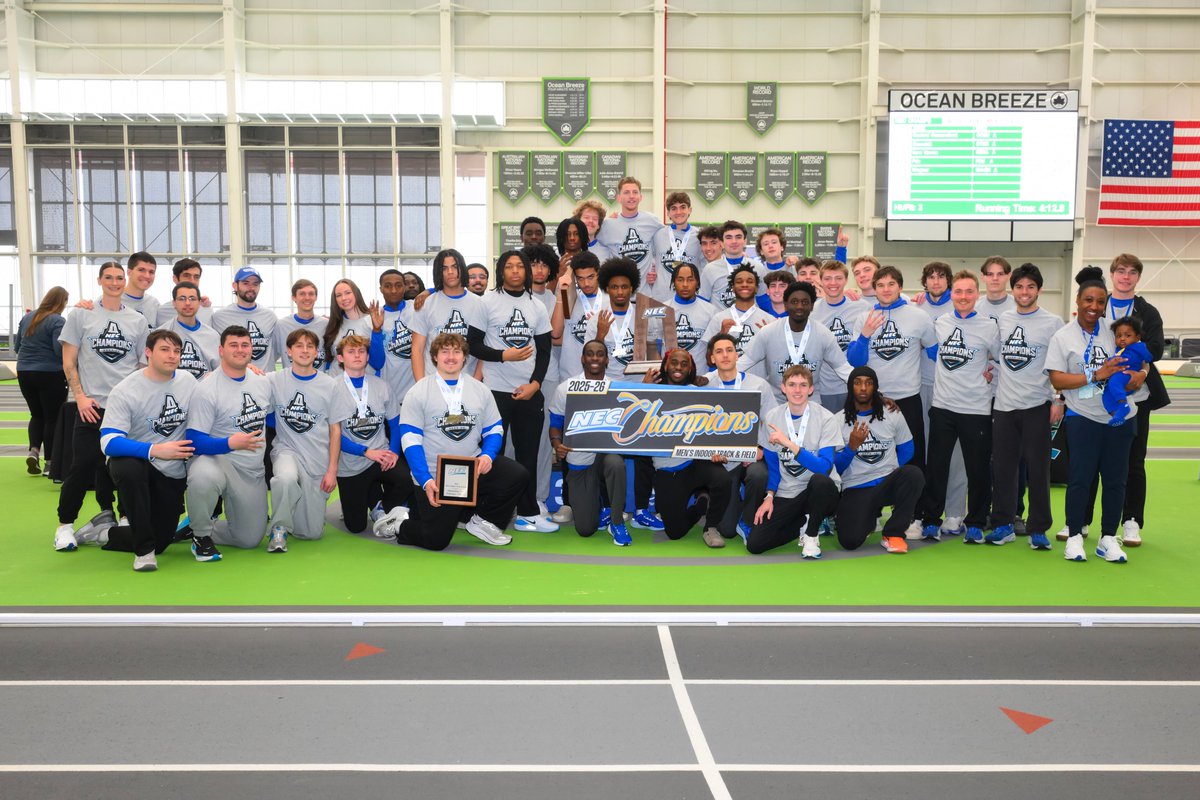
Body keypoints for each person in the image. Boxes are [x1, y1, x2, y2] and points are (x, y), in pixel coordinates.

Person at [1046, 266, 1146, 564]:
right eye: (1088, 300)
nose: (1094, 306)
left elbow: (1140, 357)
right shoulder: (1062, 337)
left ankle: (1107, 539)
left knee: (1116, 480)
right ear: (1077, 301)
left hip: (1119, 419)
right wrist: (1095, 374)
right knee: (1081, 479)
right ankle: (1075, 536)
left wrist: (1141, 372)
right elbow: (1057, 380)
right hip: (1083, 418)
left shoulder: (1115, 331)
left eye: (1100, 301)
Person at [396, 332, 529, 549]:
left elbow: (494, 428)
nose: (451, 357)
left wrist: (487, 455)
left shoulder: (480, 389)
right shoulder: (418, 391)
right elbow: (410, 441)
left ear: (464, 357)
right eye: (445, 352)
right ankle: (399, 524)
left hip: (472, 467)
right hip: (435, 474)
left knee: (516, 475)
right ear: (435, 357)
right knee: (436, 540)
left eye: (456, 352)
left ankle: (484, 522)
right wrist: (426, 480)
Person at [54, 262, 149, 553]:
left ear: (126, 280)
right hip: (91, 405)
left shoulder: (137, 320)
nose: (115, 282)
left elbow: (142, 365)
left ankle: (123, 518)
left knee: (125, 468)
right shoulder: (81, 314)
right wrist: (80, 396)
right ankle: (65, 525)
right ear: (100, 281)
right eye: (109, 277)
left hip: (125, 409)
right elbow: (69, 361)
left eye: (119, 278)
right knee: (82, 466)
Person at [468, 249, 557, 533]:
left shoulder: (537, 306)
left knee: (528, 454)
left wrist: (535, 384)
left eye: (520, 266)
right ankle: (485, 512)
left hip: (529, 392)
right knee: (491, 455)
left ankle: (528, 512)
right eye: (510, 266)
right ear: (501, 271)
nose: (516, 271)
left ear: (527, 272)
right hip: (495, 392)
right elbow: (473, 345)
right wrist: (504, 356)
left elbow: (544, 352)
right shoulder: (486, 302)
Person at [1086, 253, 1171, 546]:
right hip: (1096, 395)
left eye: (1132, 272)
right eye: (1120, 271)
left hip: (1137, 398)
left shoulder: (1148, 311)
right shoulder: (1096, 304)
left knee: (1134, 462)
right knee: (1091, 461)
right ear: (1112, 274)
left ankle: (1132, 521)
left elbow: (1156, 348)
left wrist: (1142, 371)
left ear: (1137, 277)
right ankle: (1082, 521)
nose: (1126, 276)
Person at [846, 265, 937, 537]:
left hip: (907, 397)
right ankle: (872, 511)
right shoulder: (864, 316)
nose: (886, 289)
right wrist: (865, 335)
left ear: (900, 286)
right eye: (880, 285)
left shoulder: (918, 317)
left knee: (912, 458)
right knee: (869, 455)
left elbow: (935, 354)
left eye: (891, 284)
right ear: (873, 289)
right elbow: (855, 361)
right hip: (870, 401)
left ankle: (913, 517)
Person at [99, 329, 197, 571]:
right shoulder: (125, 390)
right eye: (165, 349)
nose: (172, 356)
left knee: (162, 540)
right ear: (148, 352)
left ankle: (105, 533)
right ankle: (144, 552)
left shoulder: (188, 381)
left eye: (177, 351)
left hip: (171, 470)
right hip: (138, 463)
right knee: (129, 468)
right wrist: (155, 449)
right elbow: (108, 442)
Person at [918, 270, 1000, 544]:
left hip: (976, 408)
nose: (963, 297)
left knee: (977, 469)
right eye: (958, 292)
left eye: (969, 292)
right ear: (951, 294)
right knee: (937, 467)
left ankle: (975, 521)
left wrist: (992, 375)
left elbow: (1003, 360)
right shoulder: (939, 322)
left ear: (977, 295)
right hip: (942, 406)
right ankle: (931, 520)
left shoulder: (989, 326)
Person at [987, 263, 1064, 550]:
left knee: (1038, 470)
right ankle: (1003, 524)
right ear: (1013, 289)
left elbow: (1061, 364)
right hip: (1005, 407)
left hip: (1037, 406)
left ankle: (1038, 529)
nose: (1024, 291)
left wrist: (1058, 399)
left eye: (1030, 287)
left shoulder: (1053, 322)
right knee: (1003, 470)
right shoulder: (1004, 320)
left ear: (1039, 290)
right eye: (1019, 287)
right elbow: (996, 357)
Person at [183, 325, 271, 558]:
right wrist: (230, 443)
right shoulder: (207, 388)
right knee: (202, 475)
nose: (240, 350)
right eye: (233, 345)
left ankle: (195, 526)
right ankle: (200, 534)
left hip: (251, 471)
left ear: (252, 349)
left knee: (250, 540)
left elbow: (273, 416)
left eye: (245, 345)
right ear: (221, 350)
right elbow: (194, 441)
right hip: (218, 460)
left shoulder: (262, 381)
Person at [265, 328, 353, 552]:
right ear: (289, 351)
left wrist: (332, 470)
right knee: (285, 478)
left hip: (316, 458)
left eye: (310, 346)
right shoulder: (273, 380)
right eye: (298, 346)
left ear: (317, 353)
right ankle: (279, 528)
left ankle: (296, 509)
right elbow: (244, 380)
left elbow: (335, 430)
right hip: (287, 450)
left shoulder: (330, 385)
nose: (304, 351)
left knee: (310, 533)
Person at [746, 365, 841, 558]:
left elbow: (824, 467)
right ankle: (802, 524)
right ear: (783, 388)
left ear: (811, 389)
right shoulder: (773, 417)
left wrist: (789, 444)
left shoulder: (826, 418)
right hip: (789, 493)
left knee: (820, 481)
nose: (797, 390)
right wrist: (770, 496)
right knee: (755, 544)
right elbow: (773, 465)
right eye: (792, 385)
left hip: (822, 491)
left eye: (803, 385)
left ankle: (812, 535)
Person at [645, 348, 732, 547]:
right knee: (675, 533)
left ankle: (710, 527)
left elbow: (715, 428)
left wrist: (717, 451)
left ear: (691, 368)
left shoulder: (700, 392)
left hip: (694, 463)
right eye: (674, 362)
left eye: (684, 364)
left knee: (722, 478)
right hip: (667, 470)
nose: (678, 367)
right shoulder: (650, 390)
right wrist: (644, 391)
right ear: (665, 365)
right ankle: (702, 504)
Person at [834, 366, 924, 554]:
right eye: (858, 383)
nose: (864, 388)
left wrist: (892, 471)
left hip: (886, 483)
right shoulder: (838, 421)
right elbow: (836, 469)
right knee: (849, 541)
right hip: (857, 487)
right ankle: (868, 520)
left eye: (869, 383)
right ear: (850, 388)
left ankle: (893, 533)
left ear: (875, 387)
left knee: (913, 474)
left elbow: (908, 449)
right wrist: (851, 447)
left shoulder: (891, 412)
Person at [549, 340, 630, 545]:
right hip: (579, 460)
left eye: (600, 354)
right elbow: (555, 424)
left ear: (606, 360)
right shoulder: (565, 388)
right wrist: (557, 443)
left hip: (605, 456)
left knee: (616, 463)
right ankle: (600, 509)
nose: (595, 358)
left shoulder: (616, 387)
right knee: (586, 529)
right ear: (582, 359)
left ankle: (617, 521)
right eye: (590, 354)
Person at [334, 334, 412, 536]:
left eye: (361, 351)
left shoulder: (381, 386)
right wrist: (365, 451)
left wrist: (394, 452)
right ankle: (371, 497)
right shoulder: (331, 388)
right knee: (356, 527)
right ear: (341, 358)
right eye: (351, 352)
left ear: (368, 357)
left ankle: (381, 508)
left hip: (382, 455)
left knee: (405, 479)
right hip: (351, 463)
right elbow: (332, 435)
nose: (357, 355)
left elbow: (395, 425)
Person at [705, 333, 777, 542]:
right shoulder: (704, 384)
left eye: (729, 350)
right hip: (720, 460)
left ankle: (747, 519)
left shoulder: (758, 385)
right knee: (727, 530)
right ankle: (726, 509)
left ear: (737, 355)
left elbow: (772, 424)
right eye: (719, 351)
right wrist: (710, 451)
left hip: (749, 457)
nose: (725, 355)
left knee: (758, 475)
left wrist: (761, 449)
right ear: (712, 359)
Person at [913, 261, 967, 537]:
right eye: (930, 277)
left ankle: (955, 512)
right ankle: (922, 511)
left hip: (954, 390)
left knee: (955, 455)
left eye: (941, 277)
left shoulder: (960, 307)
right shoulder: (916, 307)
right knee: (924, 453)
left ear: (949, 281)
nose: (936, 281)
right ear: (924, 281)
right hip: (922, 386)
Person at [738, 280, 849, 407]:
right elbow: (744, 362)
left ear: (812, 306)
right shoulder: (768, 332)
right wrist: (712, 377)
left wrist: (868, 384)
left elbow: (843, 368)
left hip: (811, 402)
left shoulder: (823, 334)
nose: (799, 306)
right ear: (786, 304)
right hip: (775, 402)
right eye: (794, 302)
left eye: (805, 302)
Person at [411, 248, 486, 382]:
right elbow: (417, 349)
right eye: (444, 268)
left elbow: (484, 349)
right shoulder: (426, 304)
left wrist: (475, 382)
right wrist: (421, 385)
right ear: (438, 272)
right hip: (433, 382)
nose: (450, 272)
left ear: (462, 269)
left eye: (454, 267)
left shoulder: (479, 304)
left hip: (468, 382)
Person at [16, 286, 68, 478]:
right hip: (49, 373)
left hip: (24, 372)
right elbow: (58, 350)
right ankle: (50, 462)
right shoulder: (57, 320)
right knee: (52, 418)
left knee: (36, 415)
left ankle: (34, 451)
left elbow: (17, 346)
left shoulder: (27, 318)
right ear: (61, 302)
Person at [812, 261, 870, 412]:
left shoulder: (861, 306)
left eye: (838, 278)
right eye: (828, 278)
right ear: (820, 281)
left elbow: (887, 306)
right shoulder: (812, 311)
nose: (833, 283)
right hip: (825, 388)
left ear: (846, 280)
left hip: (855, 386)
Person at [597, 177, 664, 295]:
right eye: (626, 192)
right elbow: (594, 246)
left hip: (645, 295)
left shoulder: (652, 221)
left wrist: (655, 268)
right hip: (618, 295)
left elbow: (666, 245)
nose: (631, 196)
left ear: (640, 197)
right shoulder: (608, 225)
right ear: (619, 198)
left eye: (635, 192)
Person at [700, 264, 773, 366]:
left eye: (750, 281)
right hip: (727, 380)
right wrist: (721, 335)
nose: (744, 284)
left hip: (758, 381)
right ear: (733, 288)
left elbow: (776, 358)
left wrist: (768, 340)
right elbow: (709, 360)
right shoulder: (719, 319)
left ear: (756, 288)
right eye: (739, 282)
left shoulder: (769, 321)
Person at [212, 267, 278, 372]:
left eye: (255, 284)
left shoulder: (270, 316)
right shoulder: (220, 317)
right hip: (234, 379)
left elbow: (276, 350)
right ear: (235, 286)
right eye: (246, 283)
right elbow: (215, 351)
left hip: (265, 380)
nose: (251, 288)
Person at [322, 278, 384, 377]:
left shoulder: (372, 320)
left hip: (364, 385)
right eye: (338, 295)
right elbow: (330, 359)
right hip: (336, 383)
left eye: (347, 293)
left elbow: (378, 363)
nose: (343, 298)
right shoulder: (333, 325)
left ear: (356, 293)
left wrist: (377, 331)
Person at [157, 281, 220, 380]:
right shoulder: (160, 334)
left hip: (203, 392)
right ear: (174, 303)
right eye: (182, 299)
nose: (187, 303)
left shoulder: (213, 336)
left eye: (192, 299)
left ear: (199, 302)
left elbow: (220, 370)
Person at [650, 192, 704, 302]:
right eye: (674, 208)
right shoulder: (658, 234)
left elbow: (711, 258)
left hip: (689, 299)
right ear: (668, 213)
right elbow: (647, 257)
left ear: (690, 210)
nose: (678, 212)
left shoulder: (699, 236)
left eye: (683, 207)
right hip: (661, 299)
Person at [377, 269, 419, 411]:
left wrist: (426, 292)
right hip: (389, 395)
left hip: (416, 393)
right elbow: (376, 362)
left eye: (399, 285)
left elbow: (440, 291)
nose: (393, 290)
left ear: (404, 287)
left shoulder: (417, 307)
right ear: (381, 289)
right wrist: (376, 330)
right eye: (388, 286)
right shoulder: (374, 317)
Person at [699, 221, 766, 308]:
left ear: (745, 241)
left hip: (749, 320)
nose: (734, 241)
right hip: (720, 321)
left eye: (738, 237)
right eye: (729, 237)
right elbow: (703, 302)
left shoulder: (758, 267)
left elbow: (763, 302)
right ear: (722, 243)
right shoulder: (710, 269)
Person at [664, 263, 717, 369]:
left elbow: (713, 350)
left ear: (697, 283)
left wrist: (710, 376)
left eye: (690, 280)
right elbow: (654, 347)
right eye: (680, 280)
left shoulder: (711, 311)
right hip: (670, 381)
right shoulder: (662, 310)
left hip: (700, 378)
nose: (685, 284)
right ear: (674, 283)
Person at [1103, 318, 1153, 426]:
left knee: (1114, 381)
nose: (1122, 339)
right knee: (1106, 394)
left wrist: (1144, 360)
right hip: (1121, 378)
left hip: (1128, 374)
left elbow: (1148, 357)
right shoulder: (1119, 349)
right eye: (1118, 336)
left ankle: (1123, 405)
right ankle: (1116, 415)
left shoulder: (1138, 346)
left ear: (1137, 337)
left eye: (1127, 335)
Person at [274, 279, 329, 371]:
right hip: (290, 383)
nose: (307, 298)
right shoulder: (282, 325)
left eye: (311, 294)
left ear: (316, 297)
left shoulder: (326, 325)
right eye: (302, 294)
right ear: (293, 298)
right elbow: (270, 357)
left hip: (318, 383)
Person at [155, 258, 213, 326]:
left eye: (196, 277)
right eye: (187, 276)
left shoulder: (206, 309)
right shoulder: (163, 312)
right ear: (175, 279)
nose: (192, 281)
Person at [979, 256, 1016, 322]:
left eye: (1000, 274)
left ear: (1009, 276)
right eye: (990, 274)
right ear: (982, 277)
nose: (995, 278)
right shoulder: (974, 308)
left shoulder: (1018, 306)